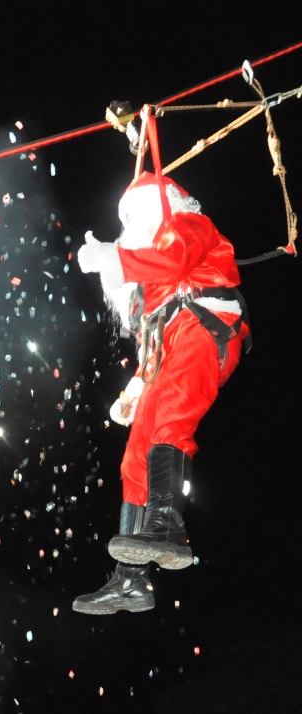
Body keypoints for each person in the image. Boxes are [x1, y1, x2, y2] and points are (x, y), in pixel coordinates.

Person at [72, 170, 249, 614]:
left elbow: (172, 259)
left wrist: (116, 257)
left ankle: (168, 525)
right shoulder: (151, 289)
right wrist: (133, 388)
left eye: (134, 219)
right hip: (171, 347)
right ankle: (130, 582)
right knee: (135, 455)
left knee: (173, 416)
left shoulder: (187, 226)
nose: (129, 229)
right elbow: (152, 340)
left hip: (206, 329)